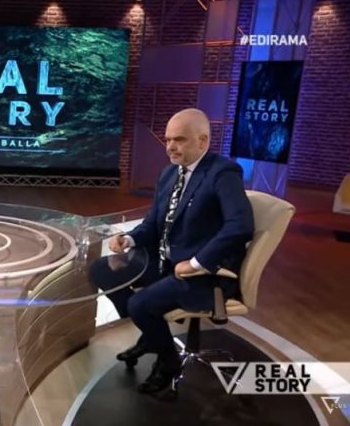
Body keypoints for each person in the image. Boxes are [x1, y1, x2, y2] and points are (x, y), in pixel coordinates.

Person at [91, 108, 254, 395]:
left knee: (139, 305)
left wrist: (196, 263)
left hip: (206, 275)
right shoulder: (169, 174)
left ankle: (168, 362)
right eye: (167, 140)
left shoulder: (223, 172)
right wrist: (129, 239)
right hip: (168, 262)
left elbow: (240, 226)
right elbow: (153, 223)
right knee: (101, 270)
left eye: (179, 140)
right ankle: (153, 335)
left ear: (203, 141)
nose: (170, 147)